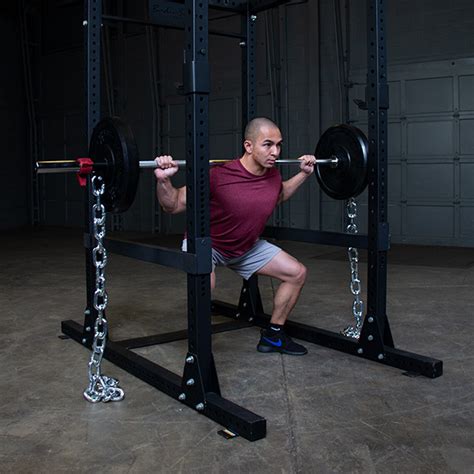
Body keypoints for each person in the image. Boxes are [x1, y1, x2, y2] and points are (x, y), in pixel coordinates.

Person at [154, 117, 317, 356]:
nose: (275, 152)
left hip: (245, 247)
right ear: (248, 146)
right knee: (204, 284)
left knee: (297, 273)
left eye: (279, 145)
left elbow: (278, 195)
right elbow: (174, 204)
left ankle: (273, 336)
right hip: (208, 243)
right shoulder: (218, 176)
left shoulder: (272, 176)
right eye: (268, 144)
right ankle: (199, 348)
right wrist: (164, 180)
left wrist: (304, 174)